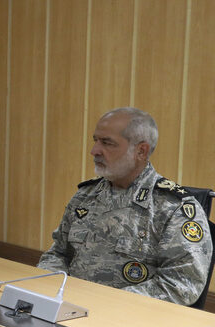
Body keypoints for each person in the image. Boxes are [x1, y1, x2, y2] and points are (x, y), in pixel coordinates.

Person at [39, 107, 212, 306]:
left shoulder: (174, 208)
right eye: (95, 140)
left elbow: (182, 284)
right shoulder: (86, 195)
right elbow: (58, 254)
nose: (94, 151)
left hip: (129, 317)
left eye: (107, 143)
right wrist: (51, 289)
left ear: (141, 151)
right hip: (70, 308)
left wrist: (105, 304)